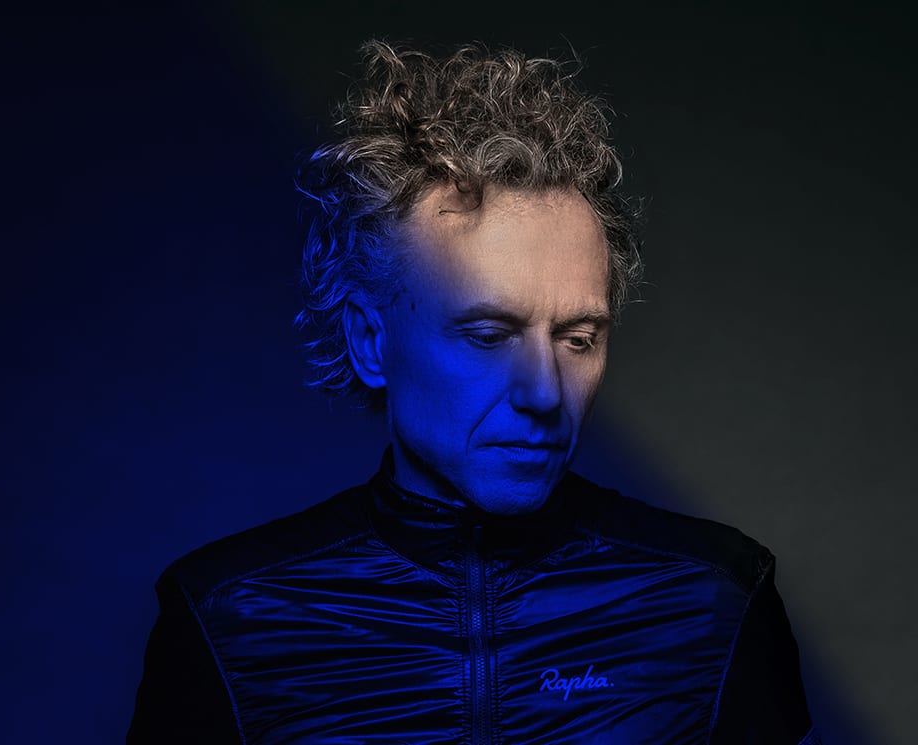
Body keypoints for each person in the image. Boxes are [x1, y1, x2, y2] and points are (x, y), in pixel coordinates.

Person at [128, 40, 819, 745]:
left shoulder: (715, 601)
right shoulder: (230, 616)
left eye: (578, 337)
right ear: (370, 340)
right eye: (489, 335)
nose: (544, 392)